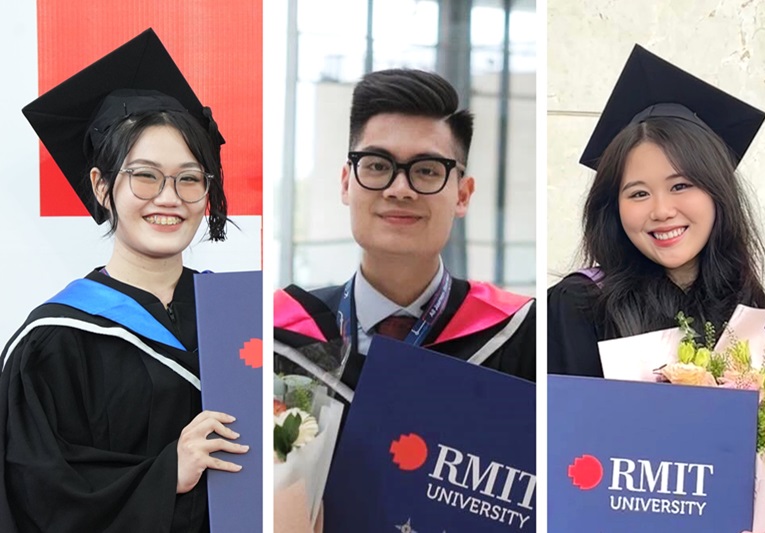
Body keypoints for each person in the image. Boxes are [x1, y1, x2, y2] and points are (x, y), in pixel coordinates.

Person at [0, 29, 248, 532]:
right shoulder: (54, 341)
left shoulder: (236, 317)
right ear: (101, 186)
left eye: (189, 177)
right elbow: (35, 498)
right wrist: (164, 477)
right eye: (145, 175)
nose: (169, 197)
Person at [274, 69, 535, 403]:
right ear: (345, 183)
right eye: (377, 165)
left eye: (426, 170)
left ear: (462, 195)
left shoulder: (521, 338)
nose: (400, 190)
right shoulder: (282, 332)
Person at [547, 44, 765, 377]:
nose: (662, 210)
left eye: (680, 186)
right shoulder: (579, 307)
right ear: (613, 207)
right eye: (638, 193)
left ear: (717, 193)